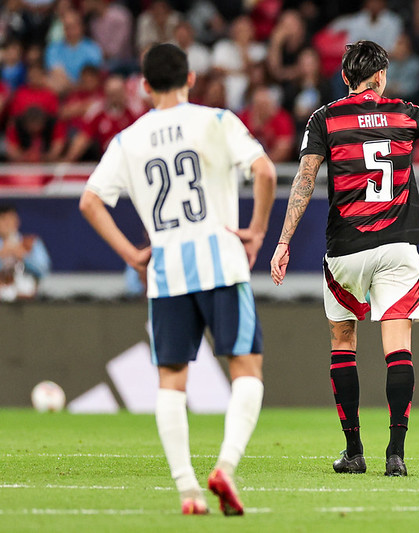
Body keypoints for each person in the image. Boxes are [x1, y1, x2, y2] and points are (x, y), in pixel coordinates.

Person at [79, 43, 277, 515]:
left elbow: (89, 201)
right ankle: (224, 469)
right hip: (222, 263)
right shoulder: (216, 121)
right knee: (247, 370)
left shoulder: (128, 139)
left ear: (143, 86)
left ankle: (188, 490)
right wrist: (258, 231)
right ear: (190, 79)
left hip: (165, 272)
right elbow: (265, 170)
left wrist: (131, 253)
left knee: (171, 380)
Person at [269, 40, 419, 477]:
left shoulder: (324, 118)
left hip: (346, 248)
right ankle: (395, 454)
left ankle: (354, 451)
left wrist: (284, 241)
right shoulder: (404, 112)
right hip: (398, 246)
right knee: (397, 348)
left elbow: (304, 181)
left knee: (343, 343)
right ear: (381, 76)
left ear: (346, 77)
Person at [0, 204, 51, 301]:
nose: (7, 223)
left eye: (10, 219)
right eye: (3, 219)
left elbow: (43, 270)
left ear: (17, 221)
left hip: (27, 300)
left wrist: (24, 256)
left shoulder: (31, 243)